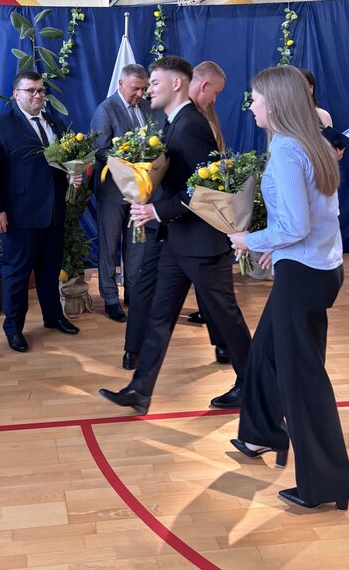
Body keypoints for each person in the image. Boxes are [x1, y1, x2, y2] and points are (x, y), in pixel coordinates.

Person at [228, 65, 349, 511]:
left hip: (304, 276)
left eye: (256, 98)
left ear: (276, 102)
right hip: (318, 268)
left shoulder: (286, 150)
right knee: (266, 351)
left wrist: (249, 240)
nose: (251, 105)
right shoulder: (310, 141)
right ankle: (261, 433)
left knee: (303, 379)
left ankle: (326, 484)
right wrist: (276, 247)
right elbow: (316, 219)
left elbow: (295, 225)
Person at [99, 56, 251, 413]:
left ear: (177, 84)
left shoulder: (191, 125)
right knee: (159, 316)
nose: (148, 90)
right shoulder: (174, 122)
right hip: (177, 241)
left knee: (227, 318)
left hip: (201, 246)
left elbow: (205, 188)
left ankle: (253, 384)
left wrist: (156, 211)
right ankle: (140, 390)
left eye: (154, 83)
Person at [122, 60, 230, 370]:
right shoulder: (180, 117)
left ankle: (224, 347)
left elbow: (200, 179)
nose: (214, 100)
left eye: (154, 83)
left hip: (176, 219)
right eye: (215, 93)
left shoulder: (187, 118)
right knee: (167, 287)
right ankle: (136, 353)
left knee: (203, 292)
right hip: (171, 218)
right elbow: (196, 183)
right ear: (202, 85)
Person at [0, 70, 80, 352]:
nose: (37, 95)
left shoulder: (56, 124)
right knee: (17, 275)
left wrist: (73, 175)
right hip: (18, 216)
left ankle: (53, 317)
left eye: (40, 90)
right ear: (16, 94)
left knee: (49, 271)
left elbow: (62, 165)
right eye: (31, 90)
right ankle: (13, 329)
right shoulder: (0, 124)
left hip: (53, 213)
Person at [90, 64, 152, 322]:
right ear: (121, 84)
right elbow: (100, 150)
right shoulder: (105, 109)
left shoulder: (147, 107)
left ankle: (134, 294)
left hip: (141, 192)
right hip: (113, 192)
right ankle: (110, 299)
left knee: (137, 245)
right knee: (109, 246)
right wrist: (129, 163)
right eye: (135, 88)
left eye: (143, 88)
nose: (140, 94)